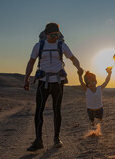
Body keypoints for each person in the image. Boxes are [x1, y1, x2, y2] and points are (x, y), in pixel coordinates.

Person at [23, 22, 83, 151]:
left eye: (57, 34)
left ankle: (56, 139)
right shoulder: (39, 46)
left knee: (57, 110)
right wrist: (26, 79)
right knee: (39, 110)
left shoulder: (62, 45)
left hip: (58, 82)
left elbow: (73, 58)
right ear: (46, 34)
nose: (55, 37)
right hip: (43, 82)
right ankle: (38, 140)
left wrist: (79, 67)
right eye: (53, 35)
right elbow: (31, 62)